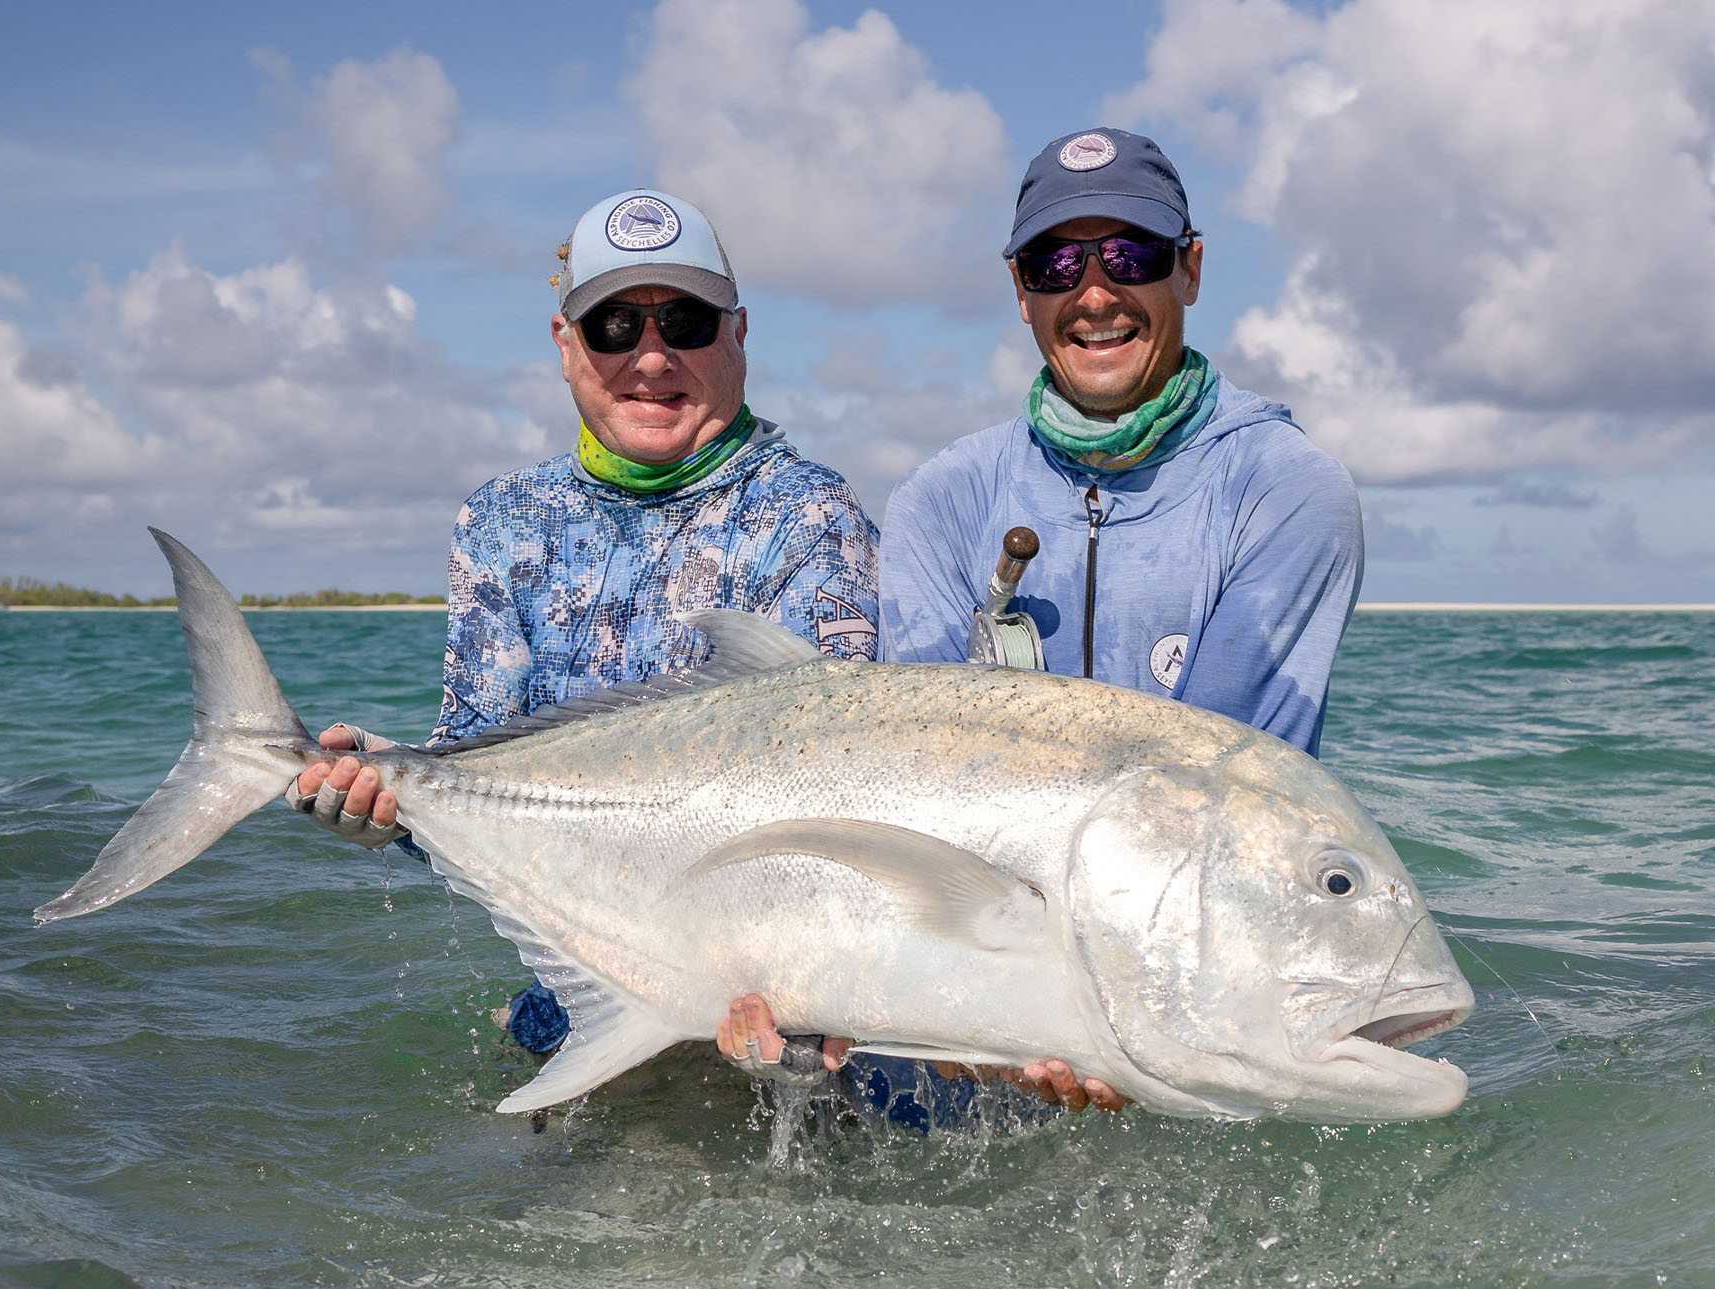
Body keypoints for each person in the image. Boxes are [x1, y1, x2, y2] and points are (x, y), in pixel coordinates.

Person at [288, 187, 878, 1060]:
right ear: (565, 346)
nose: (650, 358)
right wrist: (390, 805)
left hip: (775, 1017)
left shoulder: (810, 514)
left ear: (739, 335)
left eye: (685, 321)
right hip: (574, 1020)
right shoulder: (502, 521)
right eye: (612, 326)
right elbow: (474, 777)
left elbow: (835, 793)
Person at [881, 127, 1363, 758]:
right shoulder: (939, 501)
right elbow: (925, 763)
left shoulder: (1285, 493)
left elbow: (1217, 786)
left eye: (1132, 255)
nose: (1096, 294)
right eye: (1053, 264)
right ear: (1021, 291)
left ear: (1189, 270)